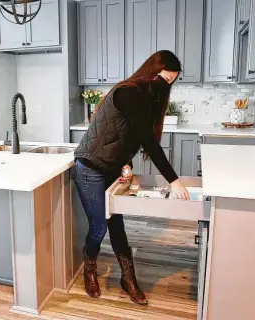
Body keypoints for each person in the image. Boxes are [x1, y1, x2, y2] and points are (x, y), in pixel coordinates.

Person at [72, 50, 190, 306]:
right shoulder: (128, 93)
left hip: (110, 169)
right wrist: (173, 180)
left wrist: (125, 162)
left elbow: (127, 137)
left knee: (117, 227)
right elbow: (146, 139)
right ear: (152, 71)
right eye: (164, 80)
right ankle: (90, 268)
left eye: (171, 83)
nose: (165, 87)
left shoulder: (146, 100)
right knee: (99, 226)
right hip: (90, 167)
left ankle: (129, 279)